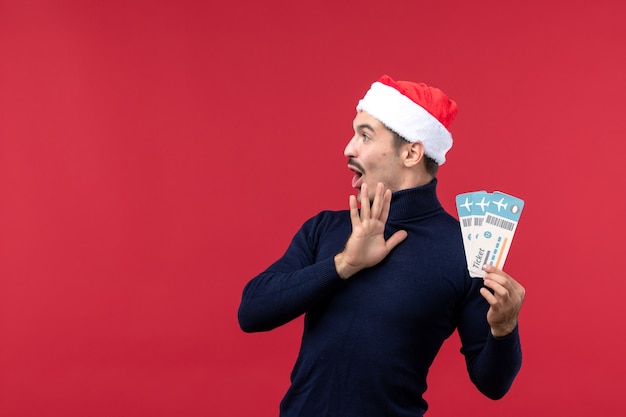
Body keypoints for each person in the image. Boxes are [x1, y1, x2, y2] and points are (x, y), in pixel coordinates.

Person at [238, 75, 525, 416]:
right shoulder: (325, 228)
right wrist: (344, 264)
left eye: (365, 135)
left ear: (411, 153)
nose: (349, 148)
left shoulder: (464, 250)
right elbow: (251, 312)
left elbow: (492, 384)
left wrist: (505, 329)